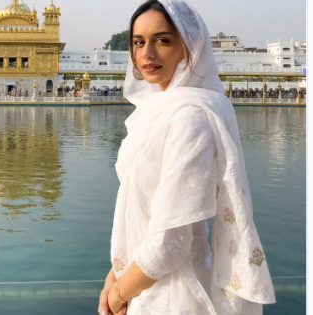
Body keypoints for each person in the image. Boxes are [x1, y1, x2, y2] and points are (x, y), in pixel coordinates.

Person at [98, 1, 275, 315]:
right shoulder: (154, 112)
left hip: (171, 297)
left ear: (190, 47)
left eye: (162, 40)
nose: (146, 54)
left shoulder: (189, 119)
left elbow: (171, 243)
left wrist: (118, 296)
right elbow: (140, 214)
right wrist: (114, 279)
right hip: (143, 285)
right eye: (138, 42)